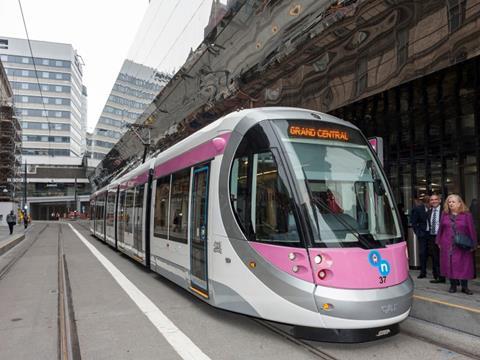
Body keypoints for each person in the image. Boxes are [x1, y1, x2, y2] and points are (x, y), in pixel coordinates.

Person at [436, 194, 477, 295]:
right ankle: (453, 285)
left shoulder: (467, 215)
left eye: (453, 201)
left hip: (463, 244)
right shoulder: (444, 214)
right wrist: (438, 241)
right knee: (450, 264)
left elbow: (472, 230)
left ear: (459, 203)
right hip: (447, 244)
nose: (451, 203)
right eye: (449, 202)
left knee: (464, 265)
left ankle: (464, 287)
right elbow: (441, 229)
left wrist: (473, 244)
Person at [410, 196, 430, 278]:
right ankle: (423, 271)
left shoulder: (435, 210)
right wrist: (418, 232)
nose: (430, 204)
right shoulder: (418, 209)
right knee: (423, 253)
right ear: (425, 203)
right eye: (429, 202)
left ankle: (437, 274)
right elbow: (413, 222)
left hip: (433, 234)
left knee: (434, 254)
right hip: (423, 234)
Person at [427, 194, 445, 283]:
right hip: (432, 237)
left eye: (435, 199)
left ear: (440, 200)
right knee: (435, 257)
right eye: (432, 200)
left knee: (446, 257)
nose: (433, 201)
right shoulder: (429, 212)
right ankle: (439, 277)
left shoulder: (445, 211)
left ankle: (453, 278)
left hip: (443, 237)